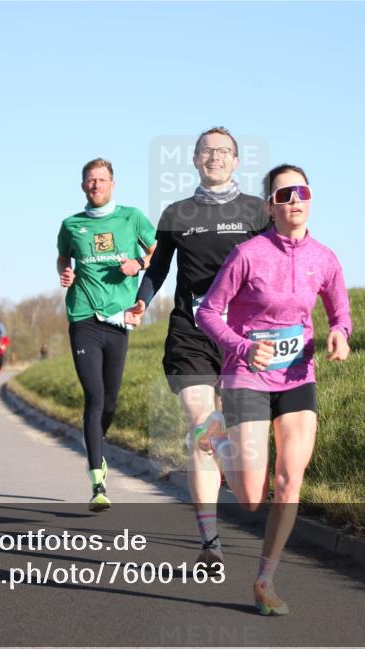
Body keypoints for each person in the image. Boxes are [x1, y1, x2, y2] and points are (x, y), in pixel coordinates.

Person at [196, 164, 351, 616]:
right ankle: (214, 437)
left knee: (290, 479)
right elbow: (209, 312)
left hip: (298, 376)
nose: (294, 200)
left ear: (310, 198)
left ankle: (265, 579)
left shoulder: (325, 258)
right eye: (284, 195)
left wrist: (340, 333)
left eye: (301, 191)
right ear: (270, 206)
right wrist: (242, 347)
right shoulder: (247, 254)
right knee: (249, 496)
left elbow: (340, 313)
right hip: (246, 375)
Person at [128, 127, 268, 572]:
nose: (215, 157)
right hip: (191, 333)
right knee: (204, 427)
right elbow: (158, 270)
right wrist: (140, 301)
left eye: (224, 152)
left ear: (237, 161)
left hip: (245, 337)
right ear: (194, 160)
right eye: (207, 151)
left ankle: (238, 473)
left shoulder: (257, 212)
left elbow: (278, 263)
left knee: (238, 436)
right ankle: (210, 543)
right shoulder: (177, 213)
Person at [57, 157, 156, 511]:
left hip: (119, 319)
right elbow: (62, 258)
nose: (95, 185)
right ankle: (97, 479)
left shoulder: (132, 218)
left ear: (113, 184)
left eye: (101, 179)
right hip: (83, 317)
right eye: (90, 180)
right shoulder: (72, 225)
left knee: (111, 401)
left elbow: (157, 253)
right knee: (95, 396)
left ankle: (97, 443)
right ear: (83, 186)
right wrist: (65, 273)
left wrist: (139, 264)